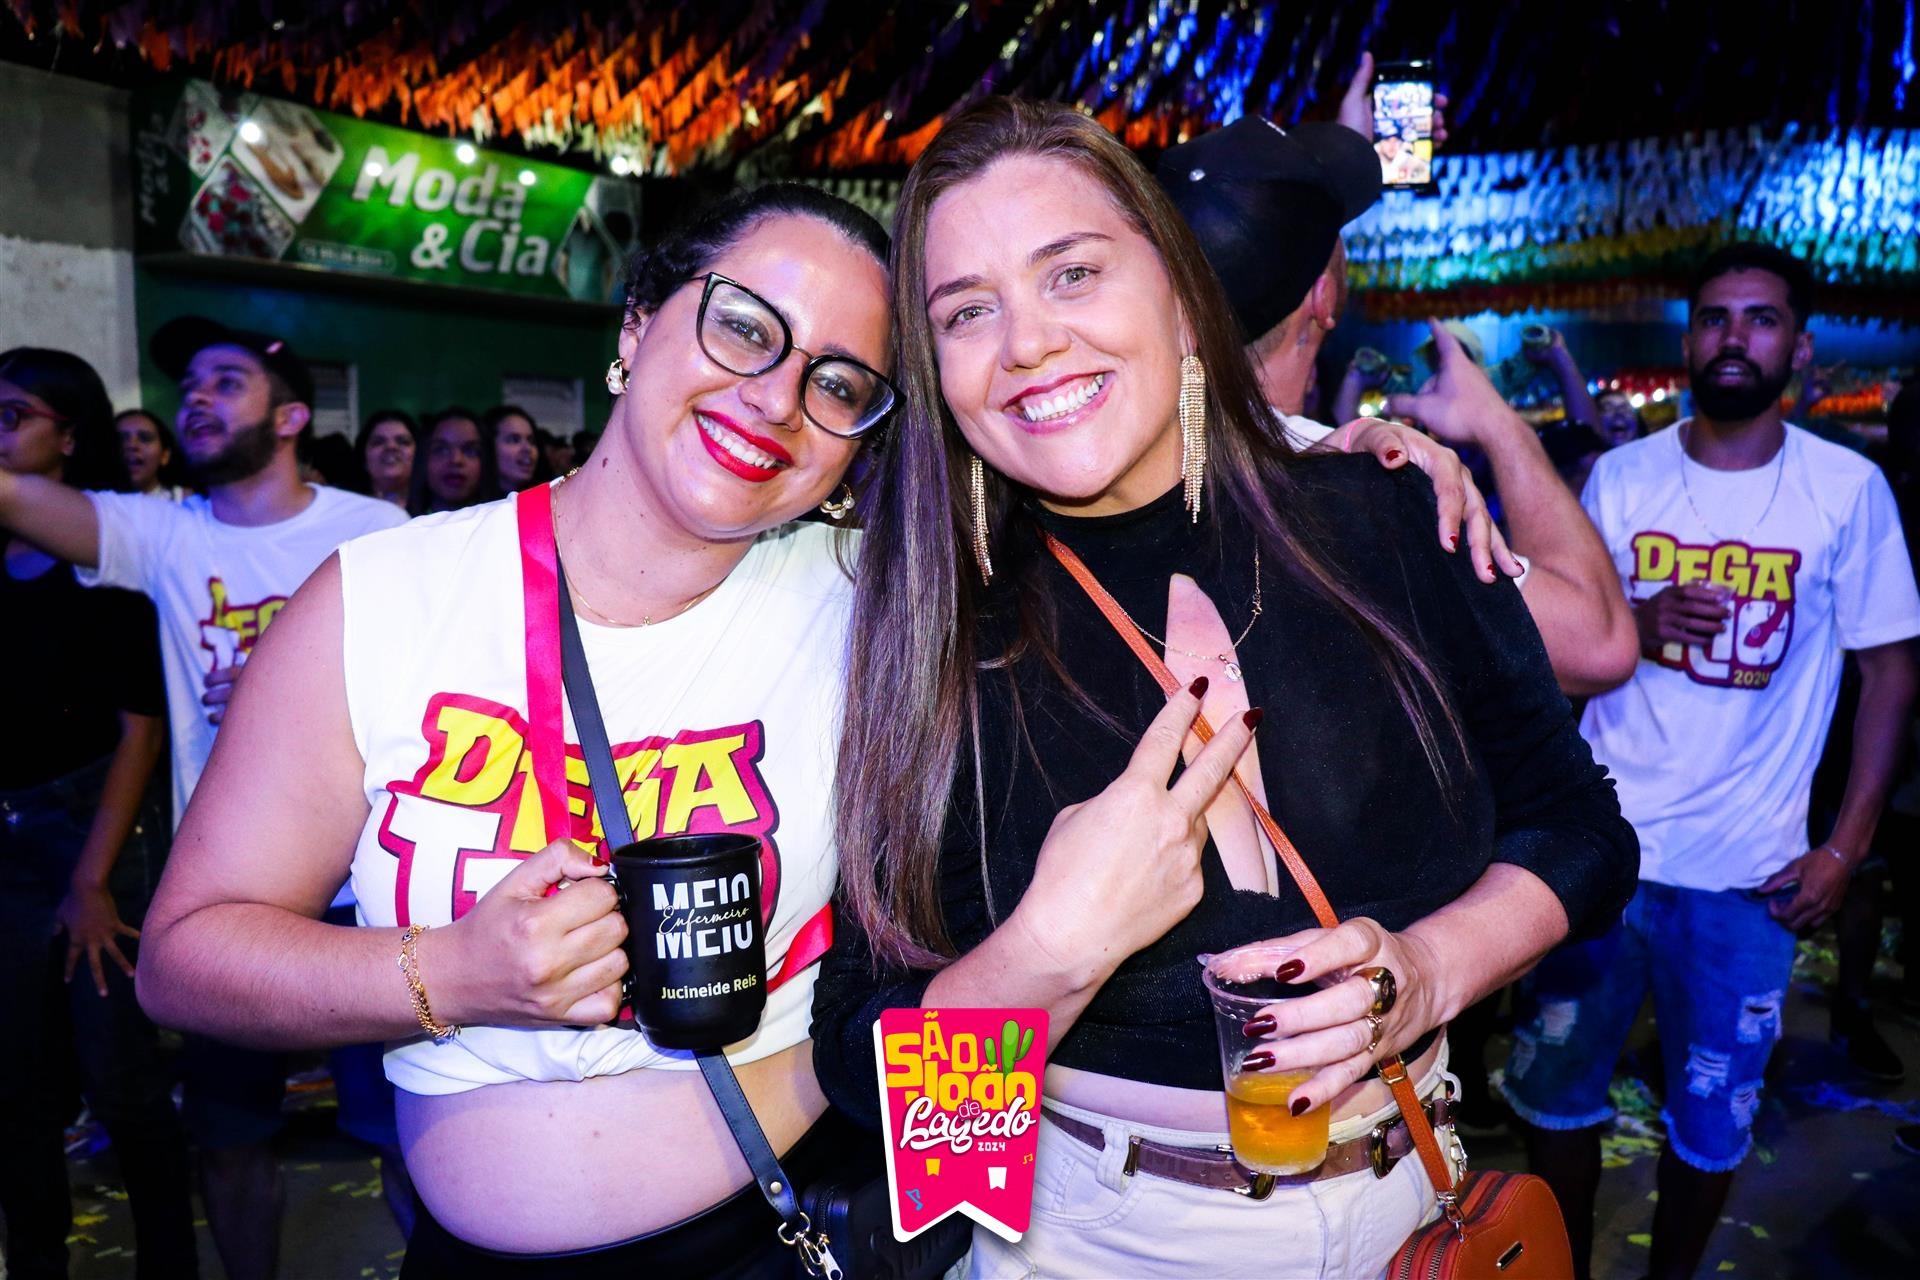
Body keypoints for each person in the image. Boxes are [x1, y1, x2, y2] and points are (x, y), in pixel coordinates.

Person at [812, 97, 1639, 1280]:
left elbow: (1582, 828)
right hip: (1096, 1236)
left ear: (1180, 293)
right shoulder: (936, 634)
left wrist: (1428, 973)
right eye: (967, 311)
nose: (1027, 342)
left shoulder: (1387, 517)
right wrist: (1049, 947)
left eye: (1073, 272)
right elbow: (865, 1068)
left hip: (1411, 1202)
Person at [136, 184, 899, 1274]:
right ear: (638, 323)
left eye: (838, 383)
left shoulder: (877, 607)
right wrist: (454, 972)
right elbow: (184, 957)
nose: (778, 397)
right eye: (742, 326)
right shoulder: (386, 595)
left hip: (779, 1235)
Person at [1500, 243, 1920, 1280]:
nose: (1736, 337)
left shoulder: (1848, 489)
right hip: (1600, 856)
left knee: (1712, 1119)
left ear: (1800, 348)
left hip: (1747, 875)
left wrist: (1845, 846)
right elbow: (1555, 648)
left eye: (1761, 319)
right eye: (1716, 318)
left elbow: (1891, 672)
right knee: (1554, 1096)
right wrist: (1633, 625)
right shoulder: (1623, 475)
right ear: (1690, 341)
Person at [0, 317, 411, 1280]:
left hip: (372, 890)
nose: (195, 396)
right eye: (189, 383)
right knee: (229, 1141)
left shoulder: (376, 532)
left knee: (408, 1139)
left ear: (291, 417)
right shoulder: (165, 534)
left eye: (227, 381)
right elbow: (13, 492)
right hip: (233, 897)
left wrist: (298, 677)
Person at [1159, 111, 1637, 697]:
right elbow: (1600, 645)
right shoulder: (1364, 488)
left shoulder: (1147, 458)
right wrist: (1499, 425)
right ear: (1324, 298)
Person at [0, 348, 196, 1280]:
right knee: (17, 1086)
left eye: (13, 416)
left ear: (70, 435)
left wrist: (90, 881)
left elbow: (140, 731)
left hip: (97, 831)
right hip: (8, 837)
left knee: (121, 1080)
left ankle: (169, 1267)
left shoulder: (110, 555)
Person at [414, 407, 489, 513]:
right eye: (441, 449)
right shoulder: (400, 520)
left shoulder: (505, 519)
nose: (456, 460)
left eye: (470, 451)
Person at [115, 408, 190, 500]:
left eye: (145, 438)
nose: (132, 445)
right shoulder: (98, 502)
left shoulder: (186, 501)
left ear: (165, 456)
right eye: (121, 439)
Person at [357, 408, 419, 510]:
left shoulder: (436, 514)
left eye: (403, 441)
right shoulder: (347, 511)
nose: (391, 447)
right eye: (378, 442)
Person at [484, 403, 548, 492]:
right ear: (489, 446)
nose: (528, 448)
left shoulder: (548, 495)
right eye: (514, 440)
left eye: (531, 441)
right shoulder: (476, 501)